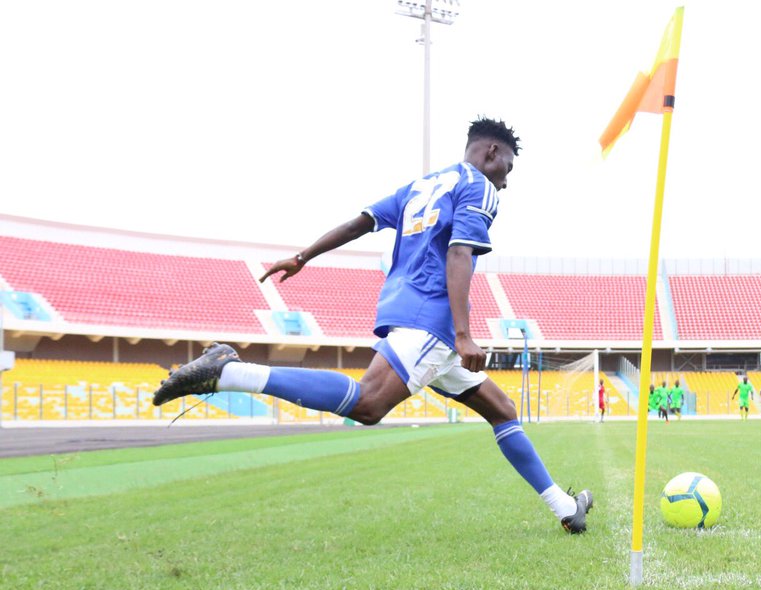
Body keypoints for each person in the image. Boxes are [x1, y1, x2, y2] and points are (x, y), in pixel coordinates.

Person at [151, 118, 593, 533]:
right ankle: (231, 372)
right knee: (368, 405)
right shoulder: (478, 187)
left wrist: (303, 256)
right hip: (433, 319)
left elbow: (358, 224)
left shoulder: (421, 186)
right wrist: (462, 334)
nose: (506, 181)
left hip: (405, 306)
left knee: (501, 409)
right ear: (491, 151)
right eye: (507, 168)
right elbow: (459, 252)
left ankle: (565, 508)